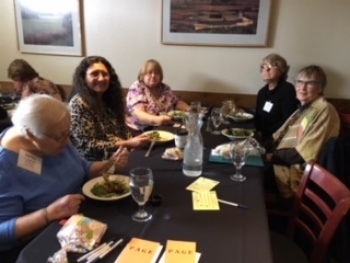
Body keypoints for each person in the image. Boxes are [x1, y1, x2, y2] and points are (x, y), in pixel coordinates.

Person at [0, 95, 128, 260]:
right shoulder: (4, 168)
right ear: (31, 135)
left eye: (69, 133)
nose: (68, 142)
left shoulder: (55, 140)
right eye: (61, 137)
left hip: (84, 222)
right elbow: (2, 233)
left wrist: (108, 165)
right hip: (46, 243)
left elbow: (82, 167)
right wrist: (47, 214)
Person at [264, 65, 340, 198]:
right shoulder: (303, 108)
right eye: (299, 82)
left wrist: (270, 156)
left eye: (309, 83)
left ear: (320, 87)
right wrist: (257, 146)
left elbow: (303, 154)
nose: (302, 88)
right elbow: (277, 138)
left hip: (294, 172)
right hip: (281, 161)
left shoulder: (324, 109)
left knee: (248, 173)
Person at [68, 56, 149, 161]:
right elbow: (86, 146)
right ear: (84, 78)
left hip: (122, 156)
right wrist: (128, 144)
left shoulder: (109, 100)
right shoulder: (78, 104)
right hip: (98, 164)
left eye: (105, 74)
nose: (101, 78)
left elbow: (123, 131)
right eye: (95, 74)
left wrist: (136, 141)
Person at [126, 59, 190, 131]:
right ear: (143, 75)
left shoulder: (165, 88)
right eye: (149, 72)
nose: (153, 75)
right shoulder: (137, 88)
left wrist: (190, 109)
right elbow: (138, 113)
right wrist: (157, 120)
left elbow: (176, 102)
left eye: (156, 73)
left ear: (160, 76)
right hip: (140, 130)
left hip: (165, 126)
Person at [255, 54, 299, 139]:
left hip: (278, 137)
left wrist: (263, 133)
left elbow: (288, 120)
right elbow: (258, 117)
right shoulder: (262, 92)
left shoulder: (287, 90)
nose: (266, 70)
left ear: (281, 71)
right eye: (263, 67)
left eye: (270, 67)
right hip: (261, 135)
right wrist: (257, 132)